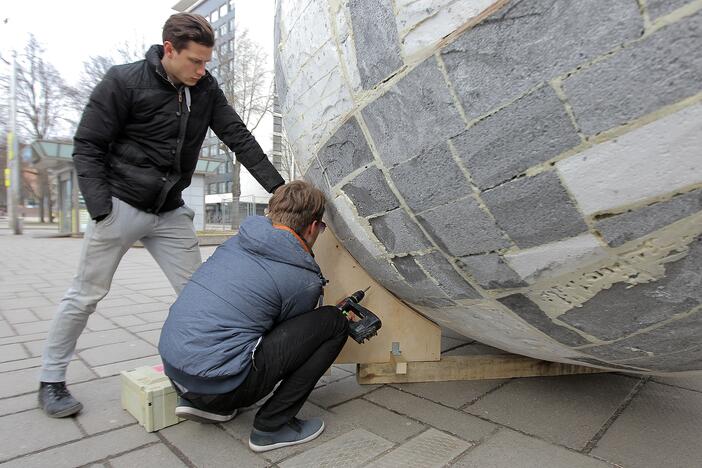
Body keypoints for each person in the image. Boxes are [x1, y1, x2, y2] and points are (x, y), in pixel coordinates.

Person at [38, 12, 285, 418]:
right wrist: (101, 209)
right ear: (169, 49)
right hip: (120, 205)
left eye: (207, 63)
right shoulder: (123, 81)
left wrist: (279, 188)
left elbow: (238, 137)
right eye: (195, 61)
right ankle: (51, 378)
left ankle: (205, 378)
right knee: (86, 294)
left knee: (202, 297)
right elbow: (88, 146)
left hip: (170, 212)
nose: (202, 70)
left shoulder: (205, 90)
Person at [159, 181, 350, 452]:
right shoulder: (302, 278)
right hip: (219, 386)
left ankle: (199, 403)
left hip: (175, 372)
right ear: (311, 227)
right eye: (321, 227)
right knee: (333, 322)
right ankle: (273, 426)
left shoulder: (236, 243)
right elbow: (292, 335)